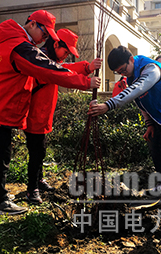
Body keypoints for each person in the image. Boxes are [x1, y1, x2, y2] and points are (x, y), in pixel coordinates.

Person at [0, 10, 101, 215]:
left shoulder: (12, 41)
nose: (45, 38)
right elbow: (48, 69)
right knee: (1, 154)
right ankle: (0, 201)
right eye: (45, 33)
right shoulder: (20, 47)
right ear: (32, 24)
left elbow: (56, 66)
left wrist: (84, 71)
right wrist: (84, 82)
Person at [88, 45, 161, 206]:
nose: (122, 74)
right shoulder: (131, 75)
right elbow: (142, 101)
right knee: (153, 141)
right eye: (119, 72)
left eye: (123, 69)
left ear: (131, 59)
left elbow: (137, 90)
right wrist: (150, 124)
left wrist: (108, 105)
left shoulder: (151, 69)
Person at [21, 28, 102, 204]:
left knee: (39, 151)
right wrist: (87, 81)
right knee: (37, 151)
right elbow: (61, 73)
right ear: (56, 44)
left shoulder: (49, 59)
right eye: (66, 51)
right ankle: (32, 189)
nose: (66, 55)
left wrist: (87, 67)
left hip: (41, 115)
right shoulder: (39, 59)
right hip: (34, 115)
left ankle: (38, 181)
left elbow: (65, 68)